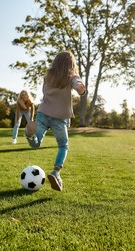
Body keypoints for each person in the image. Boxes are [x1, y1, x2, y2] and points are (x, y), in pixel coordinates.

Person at [25, 51, 86, 191]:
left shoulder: (48, 75)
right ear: (71, 64)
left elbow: (44, 91)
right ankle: (56, 172)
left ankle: (30, 135)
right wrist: (80, 89)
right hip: (60, 117)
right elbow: (77, 84)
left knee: (36, 143)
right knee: (63, 145)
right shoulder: (71, 75)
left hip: (43, 112)